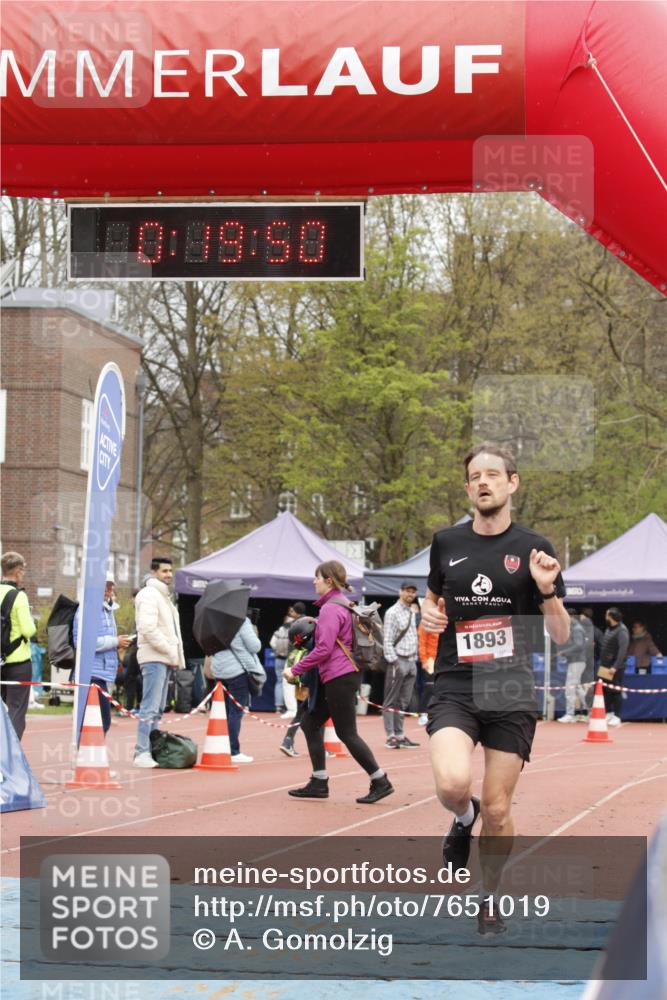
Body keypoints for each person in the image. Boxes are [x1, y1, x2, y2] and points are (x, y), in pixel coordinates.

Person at [420, 443, 569, 936]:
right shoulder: (445, 541)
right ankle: (463, 819)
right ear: (468, 488)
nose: (483, 482)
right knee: (452, 785)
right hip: (456, 682)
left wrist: (546, 590)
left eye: (492, 474)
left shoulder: (534, 547)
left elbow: (562, 635)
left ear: (512, 483)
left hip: (509, 686)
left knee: (501, 808)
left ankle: (489, 895)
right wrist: (428, 613)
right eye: (474, 476)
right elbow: (433, 600)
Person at [283, 560, 394, 804]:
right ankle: (319, 781)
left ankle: (380, 780)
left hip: (339, 676)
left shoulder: (331, 609)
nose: (314, 581)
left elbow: (323, 649)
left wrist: (295, 669)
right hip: (337, 675)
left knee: (346, 732)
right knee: (310, 723)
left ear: (329, 581)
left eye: (317, 577)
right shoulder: (342, 604)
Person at [133, 557, 185, 768]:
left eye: (170, 571)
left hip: (164, 658)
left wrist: (172, 654)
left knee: (158, 708)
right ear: (154, 572)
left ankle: (152, 749)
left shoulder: (164, 597)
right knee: (149, 707)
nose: (169, 575)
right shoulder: (149, 595)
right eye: (164, 571)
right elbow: (147, 628)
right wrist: (168, 648)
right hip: (154, 657)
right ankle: (141, 752)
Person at [72, 574, 132, 733]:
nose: (109, 589)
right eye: (105, 585)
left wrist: (116, 645)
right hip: (91, 673)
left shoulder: (106, 609)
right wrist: (115, 642)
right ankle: (87, 755)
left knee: (97, 722)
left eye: (111, 585)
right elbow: (83, 642)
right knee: (100, 722)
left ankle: (87, 754)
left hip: (100, 673)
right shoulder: (88, 609)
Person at [208, 615, 264, 763]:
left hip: (218, 669)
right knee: (236, 712)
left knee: (224, 712)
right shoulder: (240, 620)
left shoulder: (212, 621)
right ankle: (233, 750)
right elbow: (255, 646)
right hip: (237, 670)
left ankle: (222, 747)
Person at [0, 551, 36, 740]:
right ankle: (10, 758)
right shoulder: (19, 597)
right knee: (16, 709)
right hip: (17, 661)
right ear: (18, 572)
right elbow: (28, 630)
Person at [382, 583, 420, 748]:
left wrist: (415, 659)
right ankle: (391, 736)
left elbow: (412, 635)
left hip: (412, 661)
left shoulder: (411, 611)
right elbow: (387, 640)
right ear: (400, 591)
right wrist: (394, 661)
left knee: (403, 702)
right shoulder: (392, 612)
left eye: (413, 592)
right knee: (391, 700)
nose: (410, 594)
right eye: (407, 591)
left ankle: (400, 734)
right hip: (398, 660)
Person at [556, 608, 588, 723]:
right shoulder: (575, 628)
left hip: (577, 662)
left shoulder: (577, 629)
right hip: (576, 661)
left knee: (570, 687)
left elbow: (579, 646)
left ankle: (570, 714)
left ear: (572, 616)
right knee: (577, 687)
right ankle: (588, 710)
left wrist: (564, 652)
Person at [599, 607, 630, 726]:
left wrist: (615, 666)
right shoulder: (609, 628)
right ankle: (608, 713)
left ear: (612, 617)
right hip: (604, 666)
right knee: (606, 691)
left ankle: (617, 715)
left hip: (615, 667)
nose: (605, 617)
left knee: (616, 691)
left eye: (607, 615)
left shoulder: (622, 630)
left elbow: (622, 650)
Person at [417, 620, 438, 726]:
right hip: (430, 660)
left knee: (440, 688)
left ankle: (436, 713)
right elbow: (422, 642)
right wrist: (424, 660)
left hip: (442, 659)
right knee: (429, 688)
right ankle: (422, 714)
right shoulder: (426, 622)